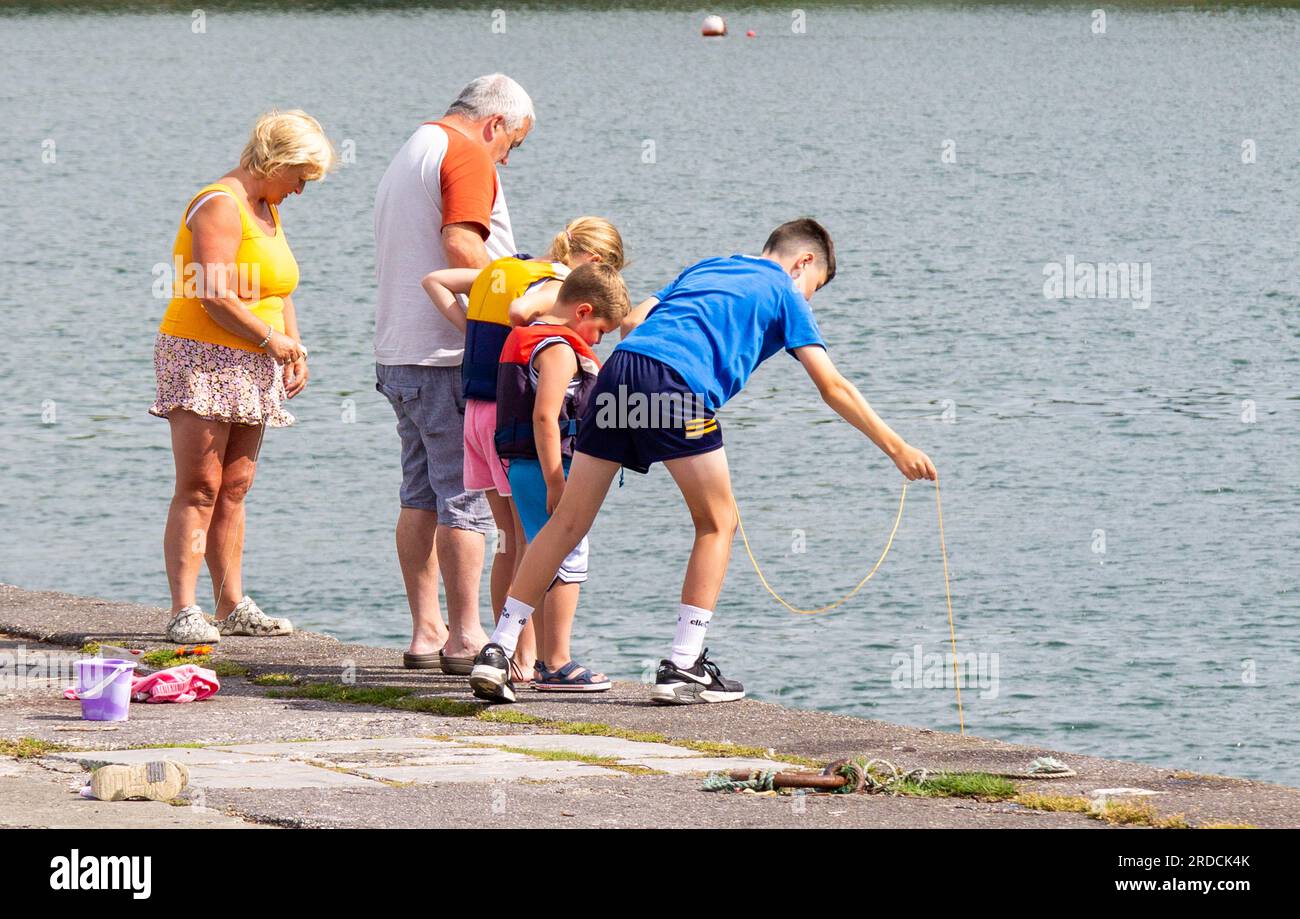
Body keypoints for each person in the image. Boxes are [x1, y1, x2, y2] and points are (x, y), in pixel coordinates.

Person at [470, 218, 938, 704]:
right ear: (803, 262)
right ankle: (683, 664)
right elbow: (832, 386)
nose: (809, 298)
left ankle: (498, 650)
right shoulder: (784, 292)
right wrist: (897, 447)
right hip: (676, 387)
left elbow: (631, 321)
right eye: (814, 286)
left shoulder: (710, 266)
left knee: (566, 522)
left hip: (620, 372)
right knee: (718, 522)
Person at [151, 110, 336, 643]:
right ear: (275, 161)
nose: (301, 190)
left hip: (256, 356)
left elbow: (280, 289)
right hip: (201, 355)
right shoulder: (219, 205)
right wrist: (270, 340)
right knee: (200, 486)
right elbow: (211, 293)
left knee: (235, 485)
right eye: (300, 177)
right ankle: (184, 609)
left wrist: (293, 348)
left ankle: (232, 605)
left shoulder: (266, 207)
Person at [373, 74, 535, 672]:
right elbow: (465, 250)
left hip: (398, 348)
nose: (507, 160)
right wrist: (516, 306)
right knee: (464, 499)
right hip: (449, 354)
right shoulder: (467, 152)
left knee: (419, 494)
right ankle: (467, 637)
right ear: (494, 125)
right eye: (511, 145)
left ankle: (426, 631)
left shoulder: (413, 146)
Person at [421, 217, 626, 682]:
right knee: (538, 542)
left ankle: (517, 657)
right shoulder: (553, 287)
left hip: (477, 410)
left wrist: (470, 332)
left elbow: (433, 280)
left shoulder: (508, 266)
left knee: (511, 543)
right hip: (511, 420)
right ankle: (537, 660)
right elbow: (520, 313)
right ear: (591, 266)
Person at [467, 263, 631, 701]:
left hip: (521, 466)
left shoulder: (527, 336)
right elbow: (545, 415)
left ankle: (535, 659)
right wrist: (557, 480)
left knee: (539, 553)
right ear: (582, 311)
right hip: (546, 469)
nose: (597, 341)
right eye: (599, 330)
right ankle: (556, 663)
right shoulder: (558, 349)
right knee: (566, 558)